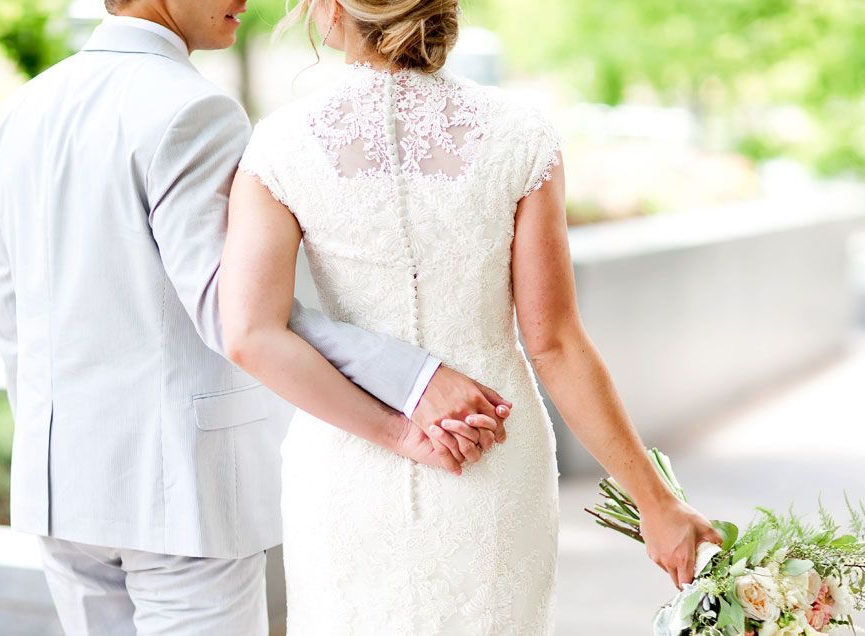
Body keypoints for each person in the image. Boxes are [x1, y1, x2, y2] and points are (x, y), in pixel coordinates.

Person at [0, 0, 515, 633]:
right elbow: (234, 313)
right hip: (180, 495)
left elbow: (9, 313)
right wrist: (413, 379)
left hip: (59, 489)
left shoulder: (21, 109)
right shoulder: (191, 111)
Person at [217, 0, 725, 633]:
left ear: (330, 11)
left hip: (346, 463)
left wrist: (397, 434)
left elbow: (249, 335)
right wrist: (657, 503)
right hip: (492, 453)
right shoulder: (520, 135)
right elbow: (555, 344)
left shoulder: (281, 144)